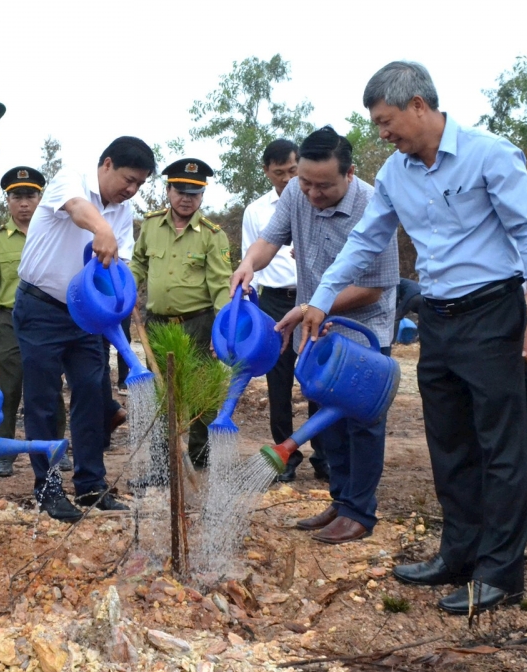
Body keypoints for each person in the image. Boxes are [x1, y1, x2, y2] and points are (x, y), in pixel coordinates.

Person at [300, 61, 527, 614]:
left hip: (493, 311)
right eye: (377, 124)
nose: (382, 133)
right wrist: (320, 299)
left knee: (500, 446)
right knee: (449, 441)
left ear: (419, 104)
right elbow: (366, 241)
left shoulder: (490, 154)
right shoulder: (395, 175)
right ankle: (457, 553)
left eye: (386, 120)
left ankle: (501, 572)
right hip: (437, 317)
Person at [232, 126, 398, 544]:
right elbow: (269, 241)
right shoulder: (295, 192)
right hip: (316, 331)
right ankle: (340, 501)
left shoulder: (374, 205)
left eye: (323, 186)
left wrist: (314, 306)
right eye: (304, 182)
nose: (311, 193)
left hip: (362, 335)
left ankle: (360, 511)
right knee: (326, 421)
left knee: (360, 422)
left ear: (350, 174)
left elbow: (377, 284)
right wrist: (250, 263)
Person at [15, 136, 155, 521]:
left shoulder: (123, 210)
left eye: (140, 185)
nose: (131, 190)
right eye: (128, 179)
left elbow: (116, 267)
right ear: (106, 164)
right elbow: (78, 209)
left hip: (87, 315)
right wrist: (101, 229)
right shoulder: (71, 179)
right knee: (43, 400)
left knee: (93, 393)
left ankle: (92, 484)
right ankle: (48, 489)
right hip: (40, 307)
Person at [130, 158, 231, 467]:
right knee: (162, 391)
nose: (187, 198)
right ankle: (163, 460)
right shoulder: (150, 224)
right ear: (168, 190)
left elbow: (221, 286)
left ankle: (200, 455)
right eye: (181, 191)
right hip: (157, 324)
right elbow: (138, 264)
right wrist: (126, 291)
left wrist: (221, 330)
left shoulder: (212, 235)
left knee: (200, 390)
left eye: (195, 193)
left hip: (198, 323)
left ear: (202, 195)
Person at [242, 138, 329, 482]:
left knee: (315, 379)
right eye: (279, 173)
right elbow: (253, 254)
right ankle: (286, 454)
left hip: (315, 298)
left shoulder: (316, 200)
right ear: (267, 172)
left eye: (293, 171)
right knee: (278, 380)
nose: (287, 179)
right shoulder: (256, 211)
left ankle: (324, 455)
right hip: (275, 300)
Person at [0, 167, 66, 477]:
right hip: (11, 321)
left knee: (50, 385)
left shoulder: (56, 231)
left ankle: (55, 447)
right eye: (17, 197)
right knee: (9, 387)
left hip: (51, 319)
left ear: (41, 198)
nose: (24, 203)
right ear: (8, 201)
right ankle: (4, 451)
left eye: (30, 196)